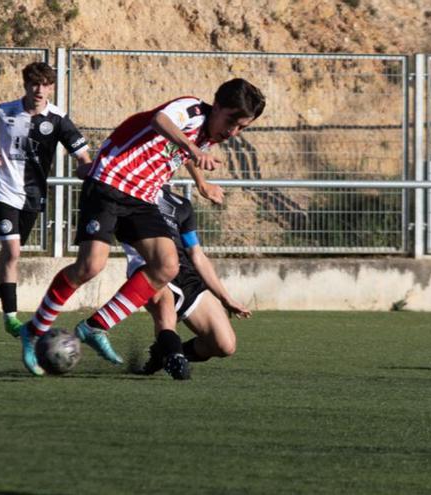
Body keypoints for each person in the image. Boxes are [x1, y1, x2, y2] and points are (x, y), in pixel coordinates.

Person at [18, 78, 265, 375]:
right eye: (231, 122)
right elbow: (160, 120)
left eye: (242, 128)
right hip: (109, 182)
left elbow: (185, 154)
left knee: (167, 265)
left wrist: (200, 181)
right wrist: (191, 147)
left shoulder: (207, 136)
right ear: (218, 106)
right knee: (90, 267)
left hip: (142, 198)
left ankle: (95, 326)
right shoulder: (192, 109)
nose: (233, 132)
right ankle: (34, 329)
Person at [0, 61, 91, 339]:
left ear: (51, 88)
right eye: (34, 84)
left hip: (33, 196)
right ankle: (11, 317)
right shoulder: (4, 111)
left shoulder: (57, 118)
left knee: (7, 258)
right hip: (3, 190)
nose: (39, 90)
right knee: (12, 254)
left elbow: (82, 155)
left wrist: (87, 169)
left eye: (46, 85)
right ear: (25, 85)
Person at [123, 186, 252, 380]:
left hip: (185, 275)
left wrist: (225, 298)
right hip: (150, 268)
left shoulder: (181, 205)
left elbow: (197, 255)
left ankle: (164, 353)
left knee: (225, 345)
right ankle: (173, 357)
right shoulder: (127, 191)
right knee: (165, 312)